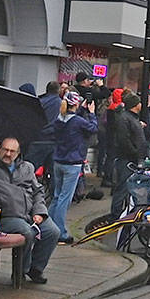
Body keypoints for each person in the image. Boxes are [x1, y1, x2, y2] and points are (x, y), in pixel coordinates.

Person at [0, 137, 60, 284]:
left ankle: (36, 269)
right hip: (4, 215)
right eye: (5, 150)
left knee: (52, 231)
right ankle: (20, 271)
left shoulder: (27, 167)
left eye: (12, 151)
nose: (8, 154)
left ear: (18, 152)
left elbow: (38, 191)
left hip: (28, 213)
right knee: (27, 231)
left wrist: (39, 212)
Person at [50, 91, 98, 243]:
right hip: (72, 163)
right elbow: (92, 128)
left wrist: (82, 110)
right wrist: (91, 113)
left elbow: (73, 120)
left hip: (58, 161)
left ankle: (48, 227)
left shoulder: (59, 119)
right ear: (76, 104)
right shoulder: (78, 122)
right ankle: (60, 232)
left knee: (57, 197)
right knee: (65, 199)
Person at [110, 92, 148, 216]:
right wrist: (135, 152)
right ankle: (116, 216)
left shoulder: (131, 117)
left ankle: (124, 213)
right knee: (122, 188)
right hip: (127, 159)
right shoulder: (125, 118)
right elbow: (124, 140)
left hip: (132, 159)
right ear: (136, 105)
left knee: (127, 188)